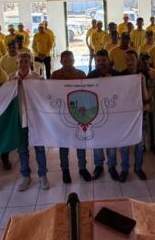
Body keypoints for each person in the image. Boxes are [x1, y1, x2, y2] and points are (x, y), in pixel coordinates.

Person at [9, 52, 49, 191]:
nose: (23, 63)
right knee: (22, 150)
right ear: (17, 63)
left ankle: (43, 175)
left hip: (35, 120)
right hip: (19, 119)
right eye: (21, 61)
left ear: (30, 63)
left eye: (26, 61)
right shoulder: (11, 78)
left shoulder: (37, 78)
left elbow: (45, 97)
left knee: (39, 148)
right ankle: (26, 176)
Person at [109, 50, 150, 182]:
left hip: (140, 115)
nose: (130, 62)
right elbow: (119, 98)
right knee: (125, 145)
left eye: (132, 59)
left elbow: (147, 97)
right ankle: (125, 169)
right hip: (126, 118)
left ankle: (138, 168)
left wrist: (143, 83)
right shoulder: (122, 76)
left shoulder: (144, 75)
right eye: (127, 60)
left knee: (139, 145)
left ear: (137, 60)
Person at [51, 51, 90, 183]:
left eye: (70, 60)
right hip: (61, 115)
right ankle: (65, 170)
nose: (67, 63)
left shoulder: (81, 75)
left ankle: (82, 168)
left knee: (80, 143)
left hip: (79, 114)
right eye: (65, 61)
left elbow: (86, 94)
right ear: (61, 62)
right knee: (63, 144)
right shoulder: (55, 75)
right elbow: (50, 94)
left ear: (74, 61)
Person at [87, 50, 121, 180]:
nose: (101, 63)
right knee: (97, 141)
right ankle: (98, 166)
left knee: (111, 141)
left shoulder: (117, 75)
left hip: (112, 114)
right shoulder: (91, 75)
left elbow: (123, 92)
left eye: (103, 60)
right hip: (96, 114)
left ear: (109, 60)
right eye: (98, 61)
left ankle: (112, 166)